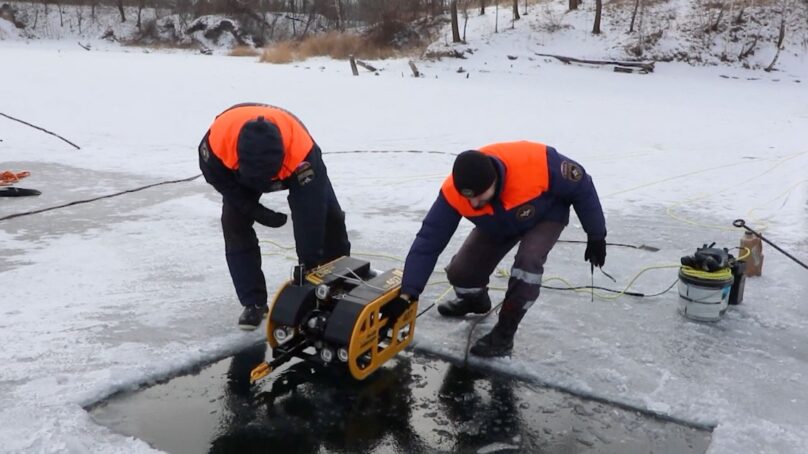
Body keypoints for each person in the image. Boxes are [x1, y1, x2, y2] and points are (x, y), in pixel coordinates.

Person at [398, 141, 607, 357]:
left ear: (495, 180)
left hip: (545, 215)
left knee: (528, 263)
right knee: (460, 272)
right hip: (497, 221)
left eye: (479, 195)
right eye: (469, 197)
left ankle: (504, 334)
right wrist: (409, 293)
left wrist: (596, 235)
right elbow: (429, 240)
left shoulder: (537, 163)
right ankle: (474, 300)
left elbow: (582, 185)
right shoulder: (455, 193)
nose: (474, 203)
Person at [198, 103, 350, 330]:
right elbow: (221, 181)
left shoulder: (301, 154)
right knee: (233, 223)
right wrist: (254, 210)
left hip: (294, 148)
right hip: (240, 168)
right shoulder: (217, 145)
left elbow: (310, 212)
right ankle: (253, 303)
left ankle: (338, 283)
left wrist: (307, 267)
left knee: (329, 217)